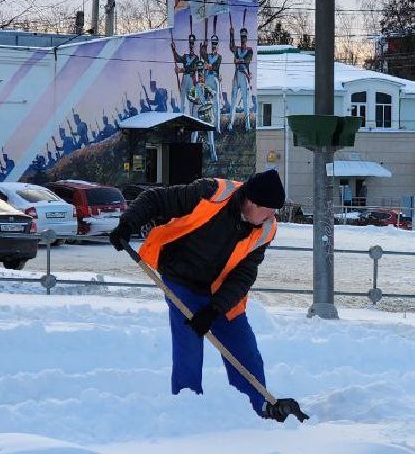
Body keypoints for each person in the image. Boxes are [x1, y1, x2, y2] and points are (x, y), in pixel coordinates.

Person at [109, 169, 286, 418]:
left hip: (221, 292)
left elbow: (244, 275)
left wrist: (214, 309)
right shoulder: (211, 193)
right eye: (269, 210)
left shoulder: (266, 228)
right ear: (252, 202)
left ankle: (258, 409)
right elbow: (155, 199)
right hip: (182, 280)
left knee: (245, 349)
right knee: (189, 349)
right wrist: (128, 224)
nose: (272, 216)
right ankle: (188, 412)